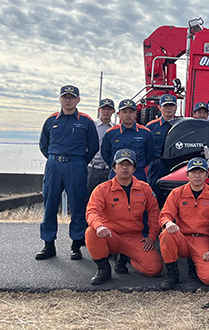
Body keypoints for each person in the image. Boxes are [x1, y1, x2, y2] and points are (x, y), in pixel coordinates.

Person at [37, 84, 99, 261]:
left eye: (72, 97)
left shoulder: (86, 121)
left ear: (78, 100)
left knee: (77, 206)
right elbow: (43, 144)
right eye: (65, 97)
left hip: (76, 166)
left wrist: (79, 162)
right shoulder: (51, 120)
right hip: (54, 166)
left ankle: (76, 244)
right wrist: (54, 159)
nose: (68, 100)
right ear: (60, 99)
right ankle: (48, 245)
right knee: (50, 205)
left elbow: (93, 146)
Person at [85, 149, 163, 285]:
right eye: (121, 164)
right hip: (110, 235)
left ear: (134, 168)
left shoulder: (144, 188)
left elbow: (154, 213)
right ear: (114, 168)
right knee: (91, 232)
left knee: (154, 269)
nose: (125, 168)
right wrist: (99, 226)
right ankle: (103, 269)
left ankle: (127, 257)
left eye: (129, 164)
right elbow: (91, 211)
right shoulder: (102, 189)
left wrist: (152, 237)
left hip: (134, 237)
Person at [157, 157, 209, 289]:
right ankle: (172, 274)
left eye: (201, 172)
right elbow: (164, 215)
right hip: (182, 238)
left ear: (207, 174)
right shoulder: (176, 193)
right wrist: (168, 223)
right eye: (194, 172)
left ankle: (194, 264)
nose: (197, 175)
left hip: (202, 240)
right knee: (166, 234)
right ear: (187, 174)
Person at [100, 99, 155, 182]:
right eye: (124, 112)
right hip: (116, 174)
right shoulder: (111, 133)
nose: (128, 115)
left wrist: (136, 166)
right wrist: (117, 167)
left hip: (138, 174)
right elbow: (105, 153)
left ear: (135, 114)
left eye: (131, 112)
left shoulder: (145, 133)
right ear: (119, 114)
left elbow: (150, 154)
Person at [87, 98, 116, 200]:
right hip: (93, 169)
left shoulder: (116, 129)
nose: (106, 112)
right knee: (89, 198)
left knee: (107, 199)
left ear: (113, 111)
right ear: (99, 110)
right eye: (104, 109)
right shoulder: (91, 126)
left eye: (109, 109)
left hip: (109, 169)